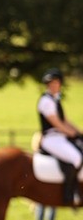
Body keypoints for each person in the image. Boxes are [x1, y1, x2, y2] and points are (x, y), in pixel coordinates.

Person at [36, 67, 83, 206]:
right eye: (51, 83)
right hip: (51, 138)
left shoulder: (56, 100)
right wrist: (73, 134)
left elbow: (65, 121)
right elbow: (57, 124)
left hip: (60, 137)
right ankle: (69, 194)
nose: (53, 86)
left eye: (56, 83)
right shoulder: (46, 101)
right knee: (77, 158)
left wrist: (79, 132)